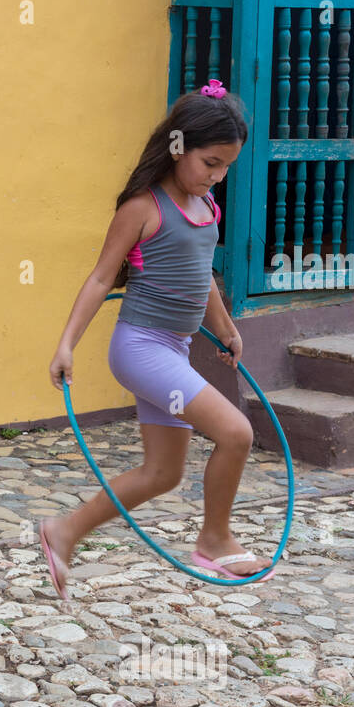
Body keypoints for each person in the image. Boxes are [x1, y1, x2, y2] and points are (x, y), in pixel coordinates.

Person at [42, 80, 274, 596]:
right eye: (210, 163)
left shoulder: (207, 208)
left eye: (226, 167)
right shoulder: (143, 208)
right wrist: (66, 344)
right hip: (141, 349)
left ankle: (63, 533)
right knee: (236, 433)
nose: (218, 176)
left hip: (174, 349)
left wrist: (227, 329)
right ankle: (214, 540)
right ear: (177, 147)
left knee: (163, 473)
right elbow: (103, 278)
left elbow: (202, 274)